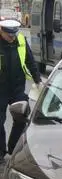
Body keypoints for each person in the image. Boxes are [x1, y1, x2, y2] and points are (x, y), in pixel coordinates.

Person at [0, 19, 42, 162]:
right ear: (1, 31)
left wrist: (38, 80)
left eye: (14, 35)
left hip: (17, 86)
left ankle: (13, 148)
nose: (12, 38)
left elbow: (30, 61)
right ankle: (0, 153)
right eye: (9, 35)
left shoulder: (21, 40)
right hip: (1, 88)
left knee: (21, 118)